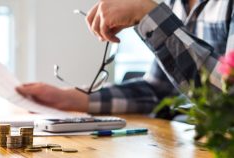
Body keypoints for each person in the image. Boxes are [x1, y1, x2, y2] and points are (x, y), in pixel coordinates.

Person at [16, 0, 234, 117]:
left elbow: (227, 101)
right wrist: (69, 99)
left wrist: (148, 13)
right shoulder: (176, 4)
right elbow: (158, 90)